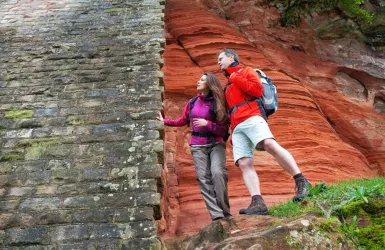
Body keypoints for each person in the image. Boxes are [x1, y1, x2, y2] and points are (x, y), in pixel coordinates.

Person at [217, 48, 311, 215]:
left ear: (231, 57)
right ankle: (257, 202)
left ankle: (301, 181)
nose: (218, 62)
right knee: (244, 163)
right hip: (237, 127)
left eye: (221, 58)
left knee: (268, 144)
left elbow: (256, 90)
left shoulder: (245, 71)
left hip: (252, 116)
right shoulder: (228, 86)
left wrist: (235, 76)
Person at [157, 72, 231, 220]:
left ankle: (225, 212)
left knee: (218, 174)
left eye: (202, 80)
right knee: (203, 179)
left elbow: (224, 130)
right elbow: (182, 121)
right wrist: (164, 121)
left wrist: (208, 124)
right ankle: (217, 216)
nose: (198, 81)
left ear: (210, 84)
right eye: (199, 79)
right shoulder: (192, 103)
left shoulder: (218, 102)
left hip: (216, 143)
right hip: (198, 146)